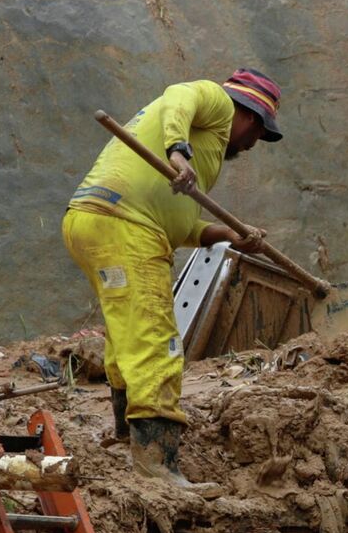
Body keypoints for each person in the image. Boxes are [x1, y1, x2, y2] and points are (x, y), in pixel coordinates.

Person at [61, 69, 284, 487]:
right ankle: (157, 464)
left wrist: (232, 236)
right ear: (251, 118)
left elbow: (182, 229)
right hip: (125, 224)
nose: (253, 146)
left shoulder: (204, 150)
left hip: (92, 220)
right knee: (156, 339)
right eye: (258, 135)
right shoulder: (216, 105)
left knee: (128, 333)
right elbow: (181, 94)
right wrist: (177, 152)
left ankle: (128, 435)